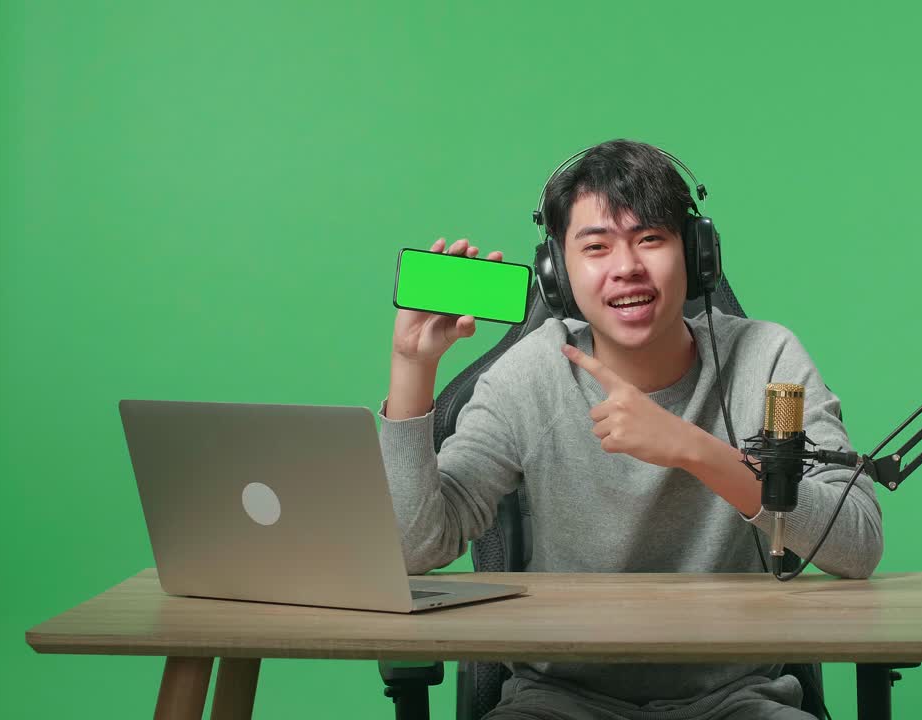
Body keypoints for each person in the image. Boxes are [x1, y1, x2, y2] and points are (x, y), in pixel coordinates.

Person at [379, 139, 884, 720]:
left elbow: (859, 544)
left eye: (650, 239)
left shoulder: (766, 358)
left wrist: (696, 451)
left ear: (696, 256)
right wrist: (412, 368)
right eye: (596, 247)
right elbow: (414, 548)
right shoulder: (531, 374)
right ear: (557, 273)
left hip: (738, 701)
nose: (626, 268)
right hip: (558, 702)